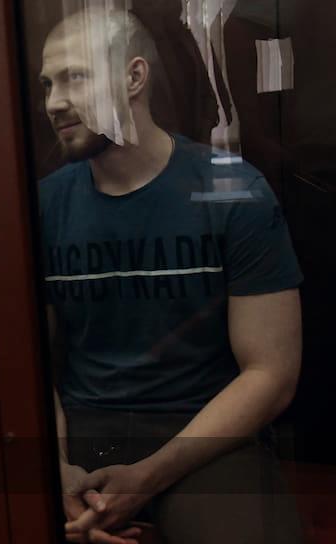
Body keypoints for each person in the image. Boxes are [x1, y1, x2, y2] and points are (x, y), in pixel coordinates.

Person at [38, 8, 304, 544]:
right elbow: (26, 364)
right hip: (85, 426)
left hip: (201, 430)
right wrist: (55, 469)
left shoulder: (232, 191)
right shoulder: (44, 205)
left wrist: (148, 478)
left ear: (134, 77)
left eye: (75, 77)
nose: (54, 102)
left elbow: (270, 374)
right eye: (47, 84)